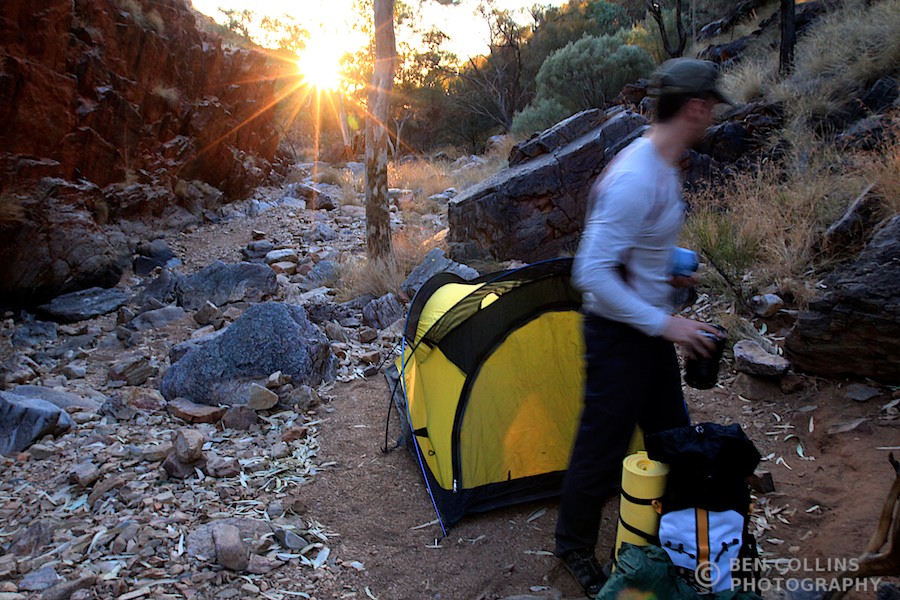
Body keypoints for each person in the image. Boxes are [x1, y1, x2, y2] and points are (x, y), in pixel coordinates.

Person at [555, 58, 733, 597]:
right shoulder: (637, 175)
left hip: (649, 331)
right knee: (602, 447)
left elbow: (636, 247)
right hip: (617, 336)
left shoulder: (661, 161)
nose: (712, 115)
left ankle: (673, 535)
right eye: (711, 106)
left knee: (671, 437)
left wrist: (673, 270)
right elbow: (588, 273)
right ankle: (573, 547)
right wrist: (667, 324)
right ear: (697, 107)